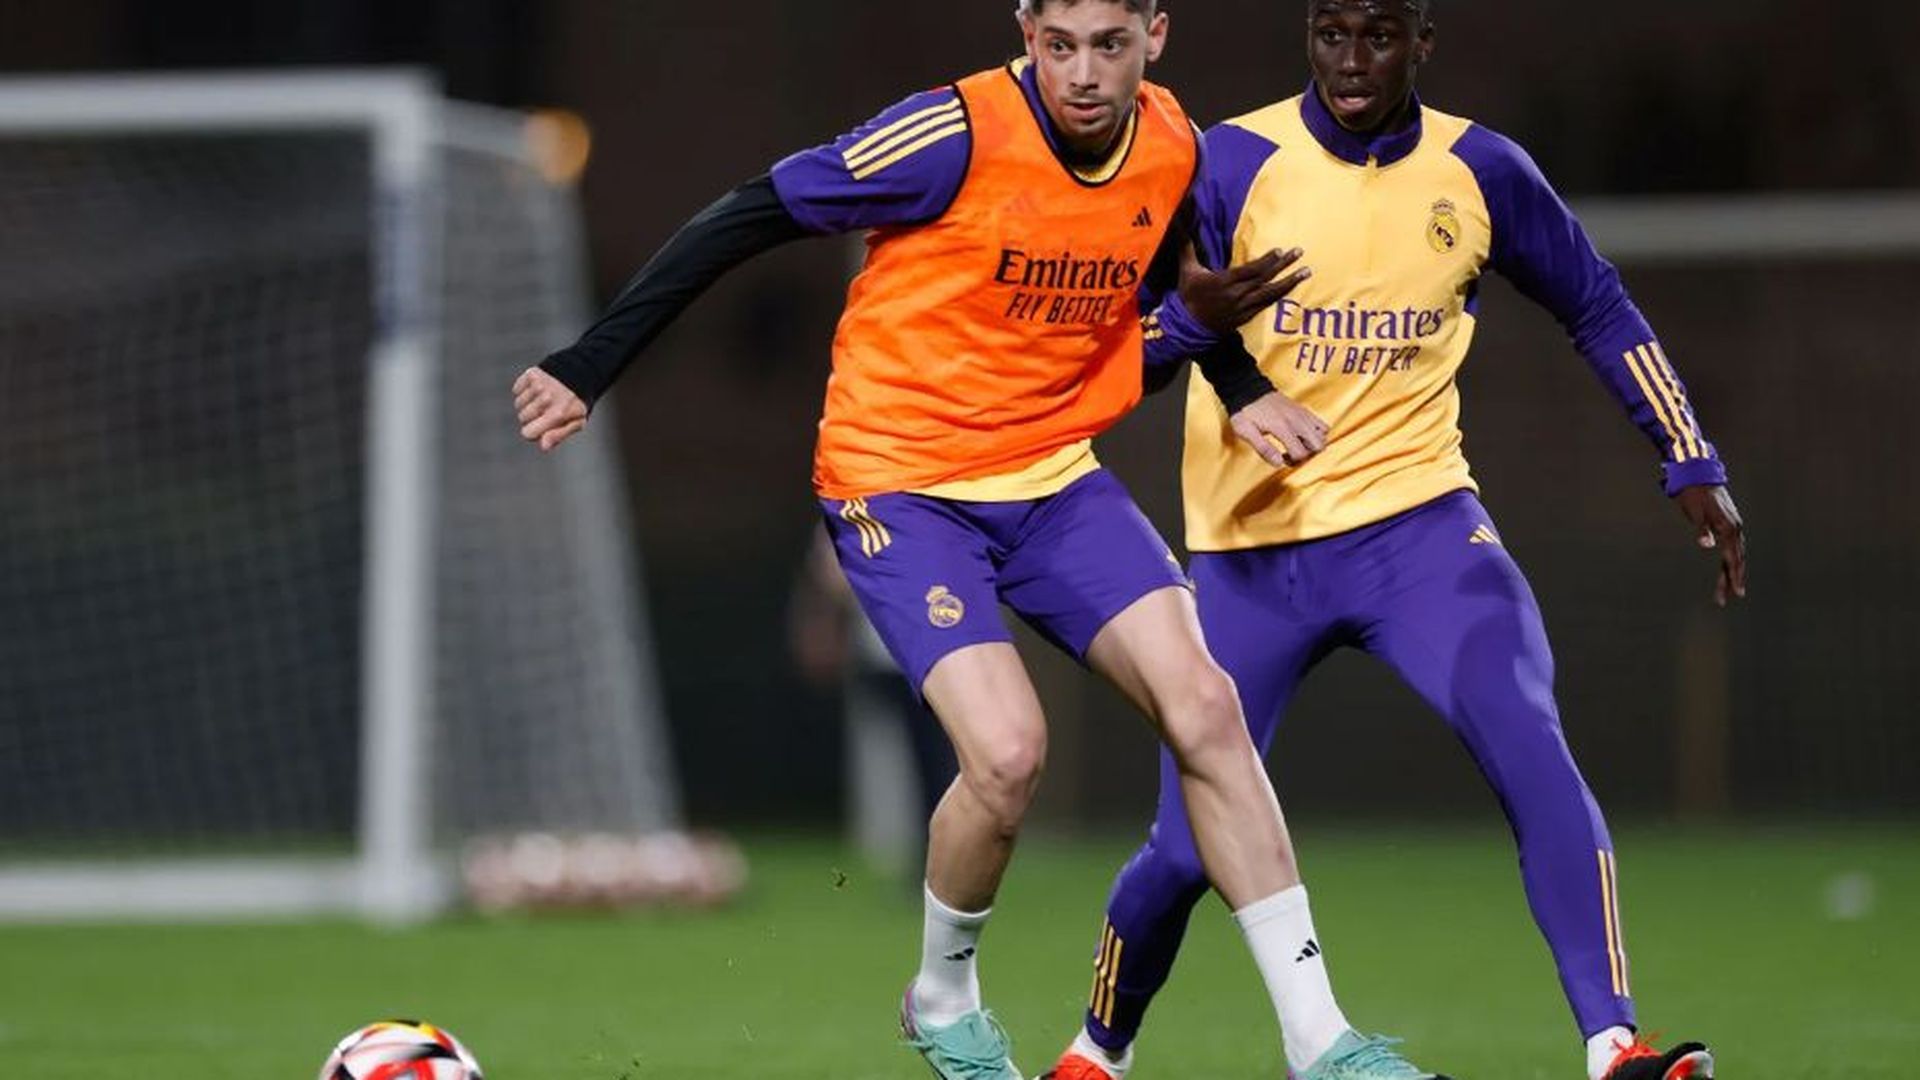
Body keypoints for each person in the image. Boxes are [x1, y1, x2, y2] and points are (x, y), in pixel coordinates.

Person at [514, 2, 1448, 1077]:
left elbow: (1154, 272)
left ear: (1156, 32)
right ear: (1027, 31)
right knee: (1007, 756)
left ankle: (1320, 1043)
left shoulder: (1174, 142)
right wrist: (592, 364)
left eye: (1109, 44)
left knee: (1206, 706)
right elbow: (748, 212)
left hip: (1052, 480)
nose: (1084, 73)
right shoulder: (951, 134)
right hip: (902, 483)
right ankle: (944, 995)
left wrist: (1238, 384)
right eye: (1060, 44)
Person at [1043, 3, 1745, 1080]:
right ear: (1307, 37)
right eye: (1330, 33)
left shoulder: (1483, 172)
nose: (1351, 60)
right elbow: (1123, 334)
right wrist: (1213, 361)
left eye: (1377, 35)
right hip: (1249, 551)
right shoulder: (1226, 162)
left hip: (1421, 528)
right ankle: (1098, 1051)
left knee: (1529, 741)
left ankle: (1614, 1045)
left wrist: (1688, 456)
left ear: (1425, 39)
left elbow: (1599, 307)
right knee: (1187, 850)